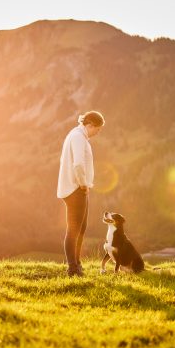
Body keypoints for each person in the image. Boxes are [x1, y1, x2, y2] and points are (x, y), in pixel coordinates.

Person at [57, 110, 105, 277]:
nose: (97, 134)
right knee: (74, 229)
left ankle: (77, 264)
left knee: (80, 228)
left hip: (75, 188)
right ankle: (73, 268)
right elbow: (78, 164)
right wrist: (83, 184)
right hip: (75, 189)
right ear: (90, 125)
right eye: (97, 130)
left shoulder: (77, 135)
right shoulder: (78, 137)